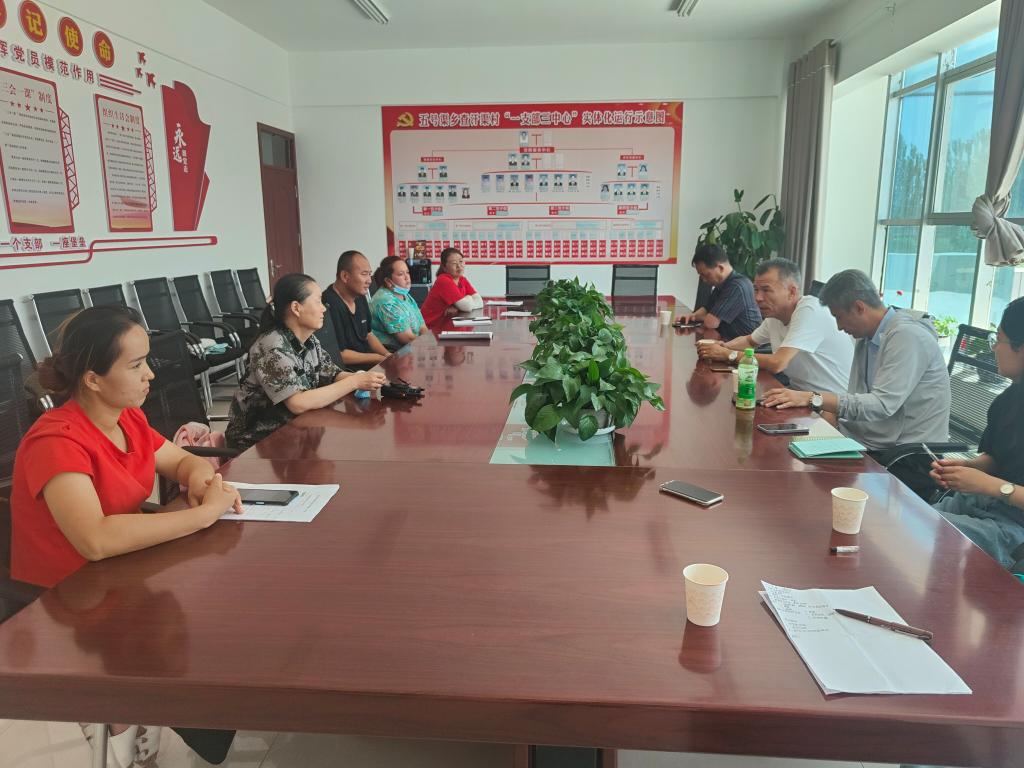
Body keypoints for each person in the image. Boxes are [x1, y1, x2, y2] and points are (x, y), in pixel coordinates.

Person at [9, 305, 243, 766]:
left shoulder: (126, 418)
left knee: (220, 619)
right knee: (200, 645)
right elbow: (94, 539)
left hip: (118, 572)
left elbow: (181, 460)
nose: (150, 374)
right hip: (65, 594)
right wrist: (203, 515)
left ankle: (150, 716)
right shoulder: (57, 441)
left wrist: (201, 480)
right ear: (93, 379)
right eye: (136, 365)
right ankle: (130, 717)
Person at [764, 269, 950, 498]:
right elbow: (855, 396)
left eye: (839, 317)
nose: (839, 327)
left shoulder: (907, 336)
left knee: (811, 486)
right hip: (870, 440)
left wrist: (814, 398)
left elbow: (882, 405)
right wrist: (828, 417)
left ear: (860, 307)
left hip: (904, 456)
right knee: (788, 455)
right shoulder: (868, 337)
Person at [226, 273, 386, 451]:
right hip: (256, 445)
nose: (324, 309)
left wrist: (367, 379)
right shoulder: (272, 347)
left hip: (296, 432)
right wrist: (354, 382)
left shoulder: (309, 340)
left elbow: (332, 374)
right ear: (296, 308)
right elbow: (297, 403)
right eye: (318, 302)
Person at [929, 297, 1024, 570]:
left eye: (999, 340)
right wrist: (964, 468)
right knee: (911, 520)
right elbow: (998, 457)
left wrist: (989, 485)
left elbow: (994, 482)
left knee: (927, 536)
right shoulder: (1009, 399)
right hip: (983, 502)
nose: (993, 348)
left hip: (1013, 524)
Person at [698, 258, 853, 394]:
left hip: (829, 404)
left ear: (792, 292)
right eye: (756, 290)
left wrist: (728, 354)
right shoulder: (775, 314)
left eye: (766, 290)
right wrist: (722, 347)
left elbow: (778, 363)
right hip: (797, 394)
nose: (758, 298)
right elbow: (749, 341)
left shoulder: (810, 310)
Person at [322, 250, 391, 368]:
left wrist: (387, 355)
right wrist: (378, 358)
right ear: (345, 276)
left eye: (370, 274)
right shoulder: (329, 304)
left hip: (367, 362)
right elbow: (339, 354)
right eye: (364, 274)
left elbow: (368, 334)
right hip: (349, 370)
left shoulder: (359, 296)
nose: (369, 280)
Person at [678, 244, 761, 339]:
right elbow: (707, 309)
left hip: (749, 345)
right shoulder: (721, 285)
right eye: (701, 276)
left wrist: (702, 318)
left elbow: (711, 322)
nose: (704, 280)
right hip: (730, 341)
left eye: (706, 275)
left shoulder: (737, 286)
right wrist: (691, 317)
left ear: (720, 268)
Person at [370, 255, 427, 350]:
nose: (407, 277)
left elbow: (422, 327)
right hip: (395, 353)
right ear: (388, 281)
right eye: (401, 274)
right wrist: (430, 345)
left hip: (415, 347)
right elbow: (407, 338)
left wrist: (430, 342)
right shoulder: (386, 302)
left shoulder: (405, 295)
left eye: (407, 272)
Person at [420, 247, 483, 326]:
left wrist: (460, 306)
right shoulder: (443, 280)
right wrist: (468, 298)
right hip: (428, 327)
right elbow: (467, 307)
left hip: (444, 323)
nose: (459, 266)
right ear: (444, 267)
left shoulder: (462, 279)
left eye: (461, 261)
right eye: (454, 263)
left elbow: (480, 302)